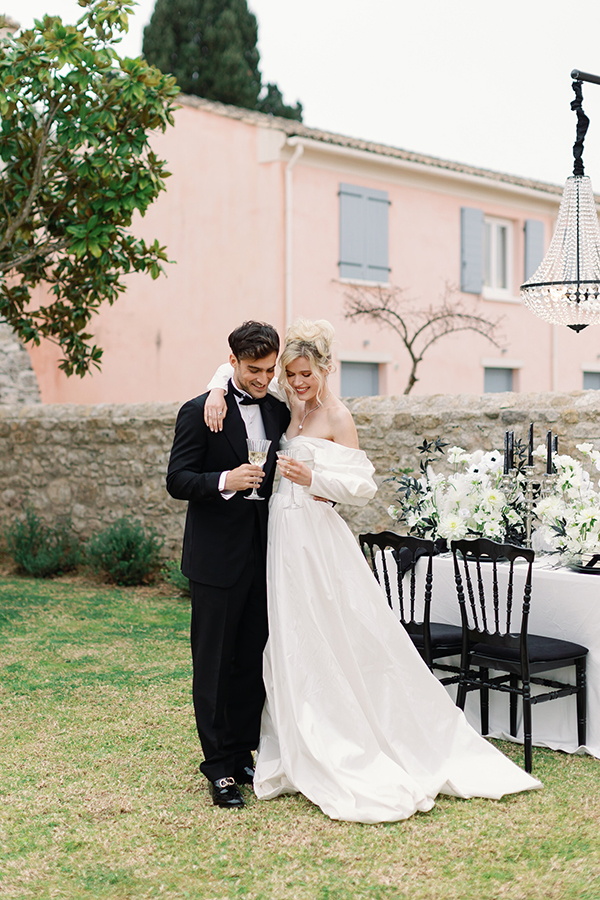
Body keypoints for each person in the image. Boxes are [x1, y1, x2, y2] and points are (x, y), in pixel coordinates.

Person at [204, 318, 541, 823]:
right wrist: (213, 390)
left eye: (305, 374)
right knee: (287, 637)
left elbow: (362, 484)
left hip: (315, 538)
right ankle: (294, 741)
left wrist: (314, 476)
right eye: (290, 375)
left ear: (325, 369)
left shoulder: (337, 414)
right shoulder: (287, 406)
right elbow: (236, 371)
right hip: (280, 538)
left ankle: (347, 738)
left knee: (332, 633)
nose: (296, 383)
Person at [166, 321, 290, 809]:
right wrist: (224, 480)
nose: (263, 379)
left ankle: (241, 753)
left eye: (269, 369)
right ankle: (217, 770)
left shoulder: (278, 409)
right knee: (213, 666)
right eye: (253, 370)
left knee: (250, 664)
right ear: (233, 361)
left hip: (266, 556)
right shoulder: (200, 411)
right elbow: (177, 480)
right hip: (216, 560)